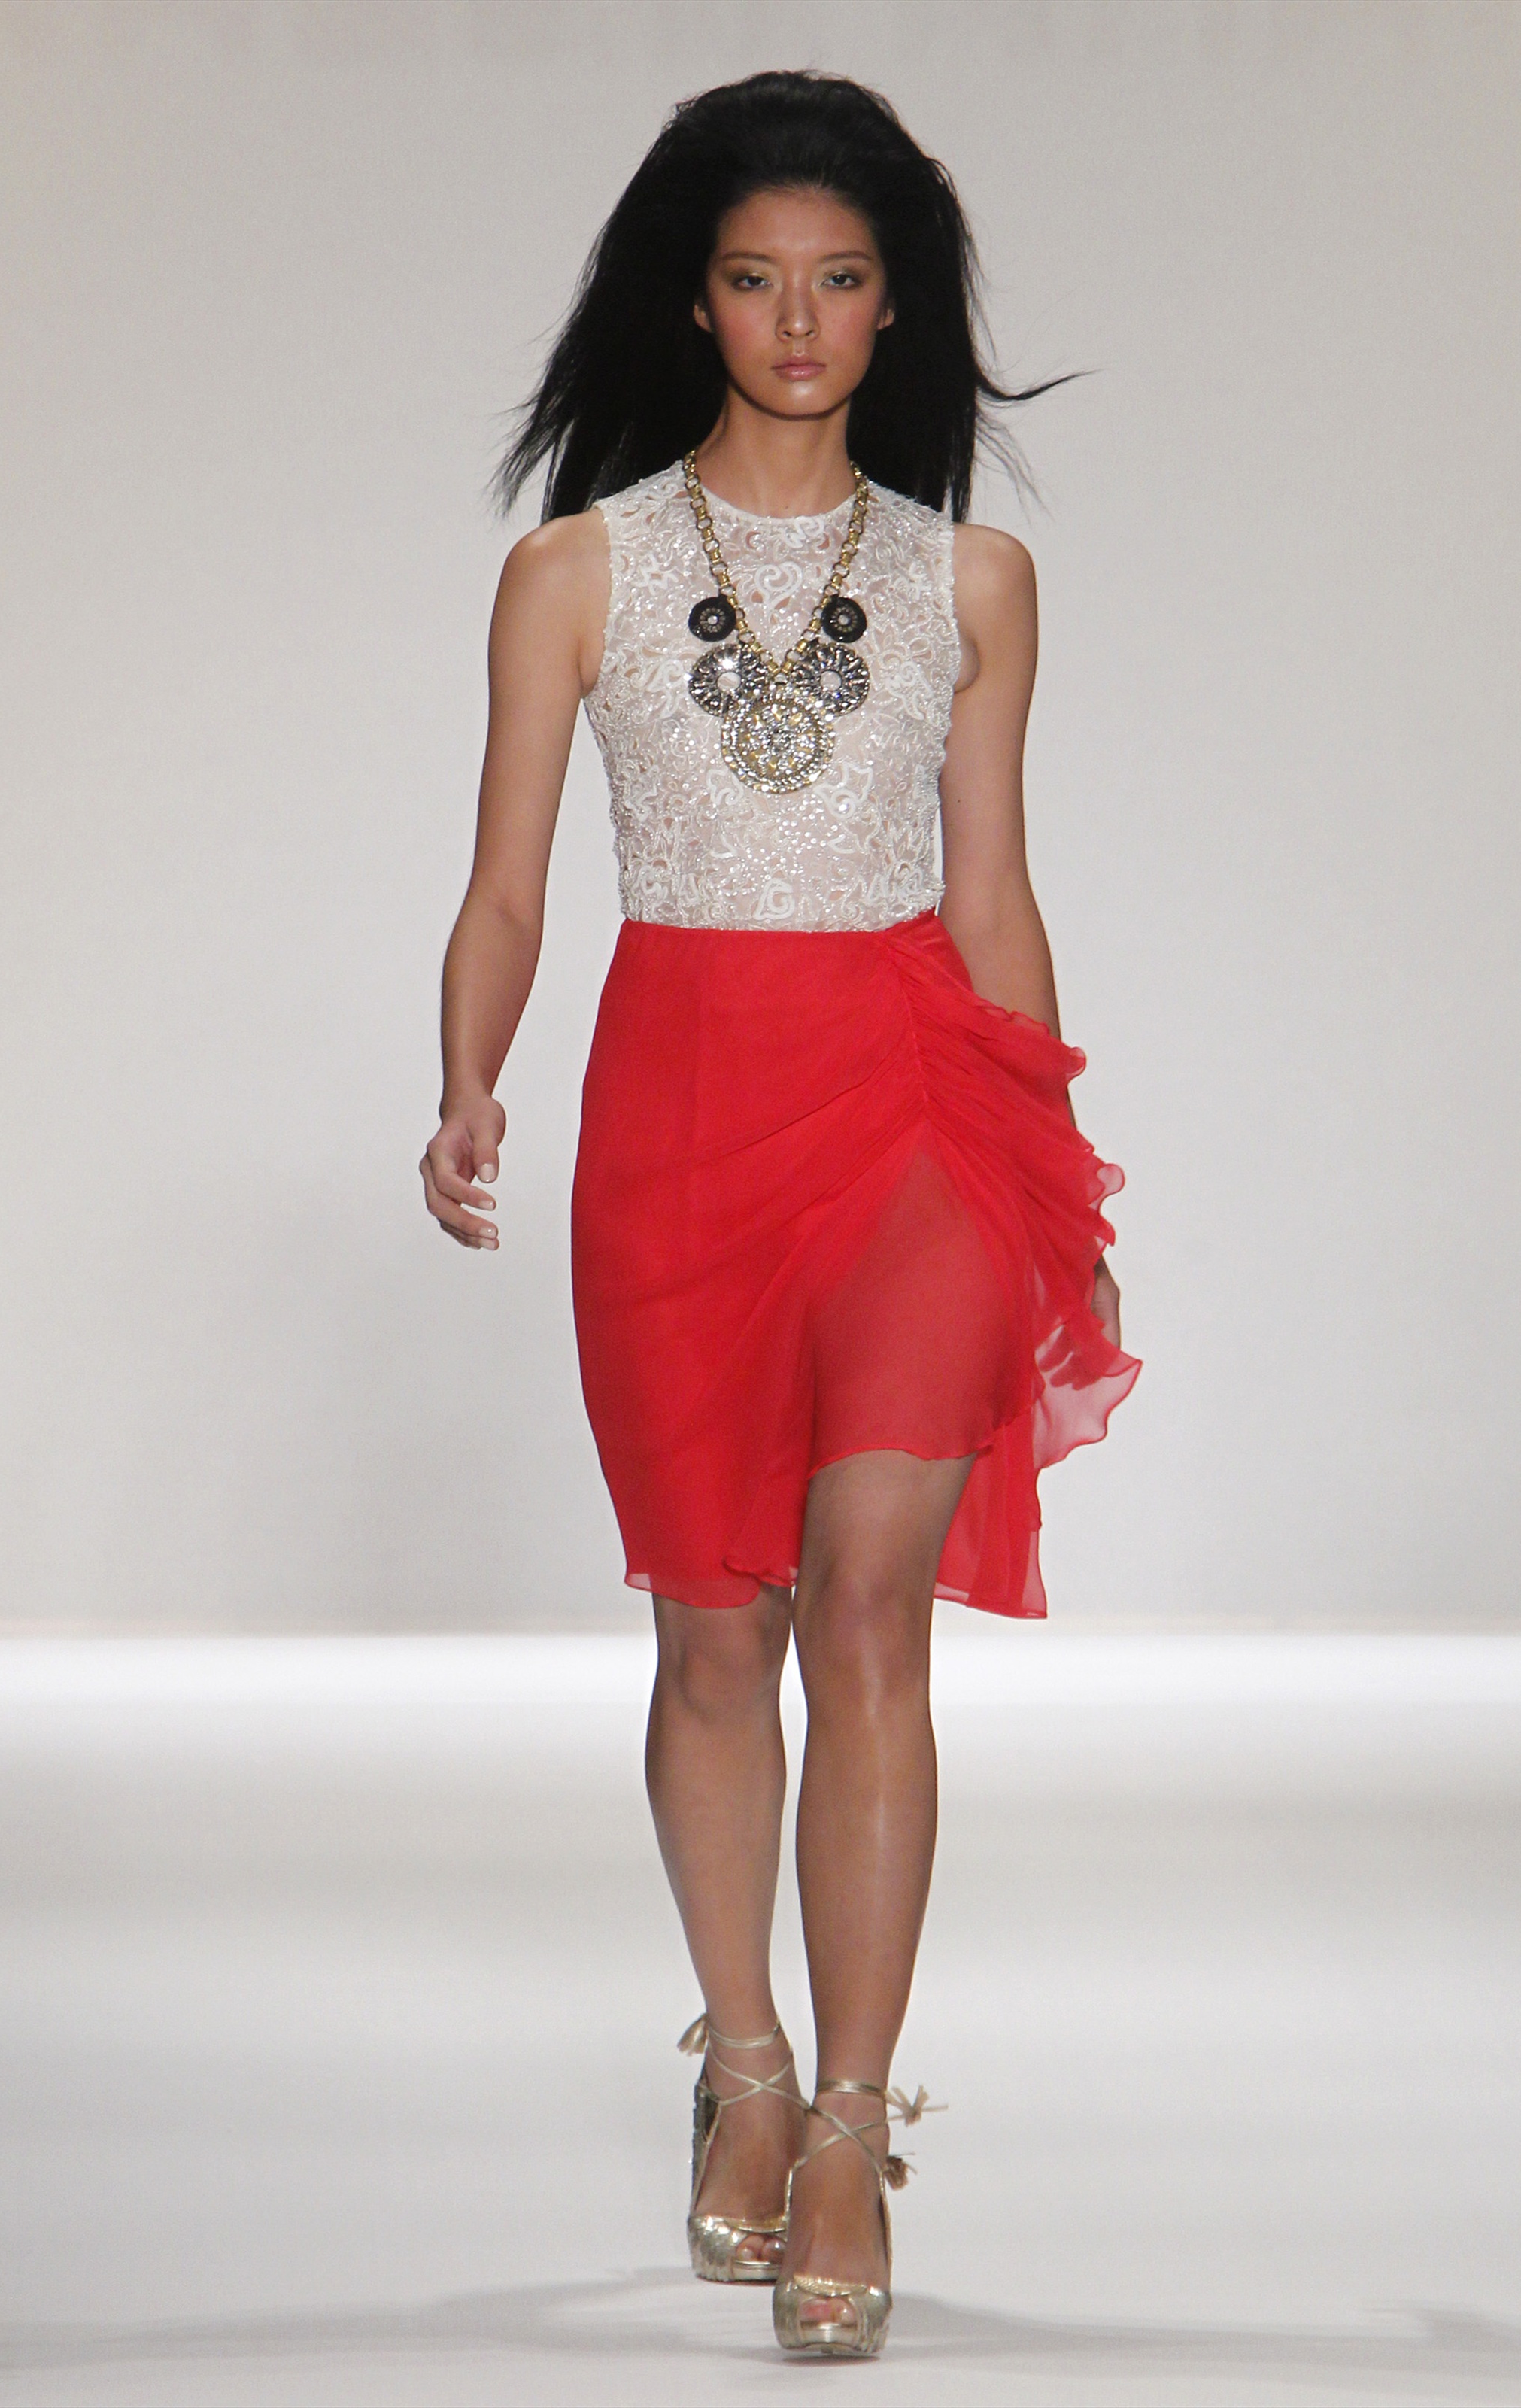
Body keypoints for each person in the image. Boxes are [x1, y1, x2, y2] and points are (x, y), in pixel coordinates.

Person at [420, 69, 1140, 2359]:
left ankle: (846, 2122)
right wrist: (466, 1078)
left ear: (895, 305)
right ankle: (737, 2060)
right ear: (697, 301)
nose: (800, 320)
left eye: (839, 280)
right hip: (676, 1117)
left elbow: (996, 897)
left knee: (868, 1608)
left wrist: (1054, 1175)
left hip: (911, 1110)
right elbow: (510, 881)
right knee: (716, 1635)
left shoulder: (974, 580)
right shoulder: (578, 571)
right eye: (757, 279)